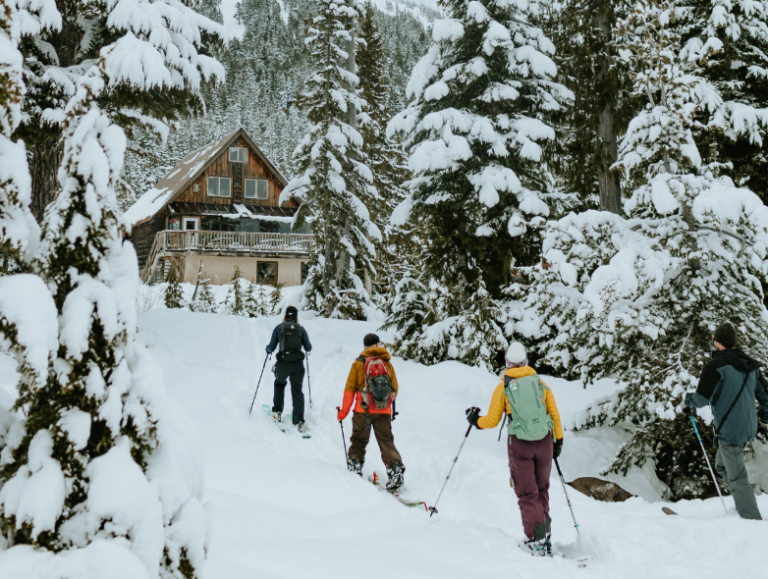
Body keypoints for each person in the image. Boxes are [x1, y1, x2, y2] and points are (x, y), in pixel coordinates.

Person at [466, 342, 563, 557]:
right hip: (545, 441)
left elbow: (491, 421)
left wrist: (475, 420)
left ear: (508, 363)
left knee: (527, 492)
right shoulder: (541, 384)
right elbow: (554, 415)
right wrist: (558, 442)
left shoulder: (504, 387)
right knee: (542, 489)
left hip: (520, 443)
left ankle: (536, 539)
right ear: (526, 361)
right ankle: (545, 535)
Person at [685, 322, 768, 520]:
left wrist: (688, 400)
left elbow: (702, 398)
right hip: (748, 426)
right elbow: (765, 397)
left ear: (717, 342)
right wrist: (764, 418)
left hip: (730, 430)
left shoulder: (715, 366)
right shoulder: (751, 365)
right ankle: (744, 496)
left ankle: (751, 519)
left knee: (737, 476)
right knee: (722, 466)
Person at [337, 333, 405, 490]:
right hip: (384, 411)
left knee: (359, 440)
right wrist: (385, 403)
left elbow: (349, 391)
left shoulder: (358, 364)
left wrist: (342, 414)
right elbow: (395, 388)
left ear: (364, 346)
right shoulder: (387, 363)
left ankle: (355, 464)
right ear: (378, 344)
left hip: (363, 410)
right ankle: (395, 469)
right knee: (386, 441)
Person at [266, 305, 312, 432]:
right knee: (297, 390)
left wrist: (268, 349)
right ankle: (298, 420)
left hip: (283, 364)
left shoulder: (279, 328)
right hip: (297, 366)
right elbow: (308, 348)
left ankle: (277, 412)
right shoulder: (300, 330)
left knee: (279, 384)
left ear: (285, 316)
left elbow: (271, 347)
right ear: (296, 317)